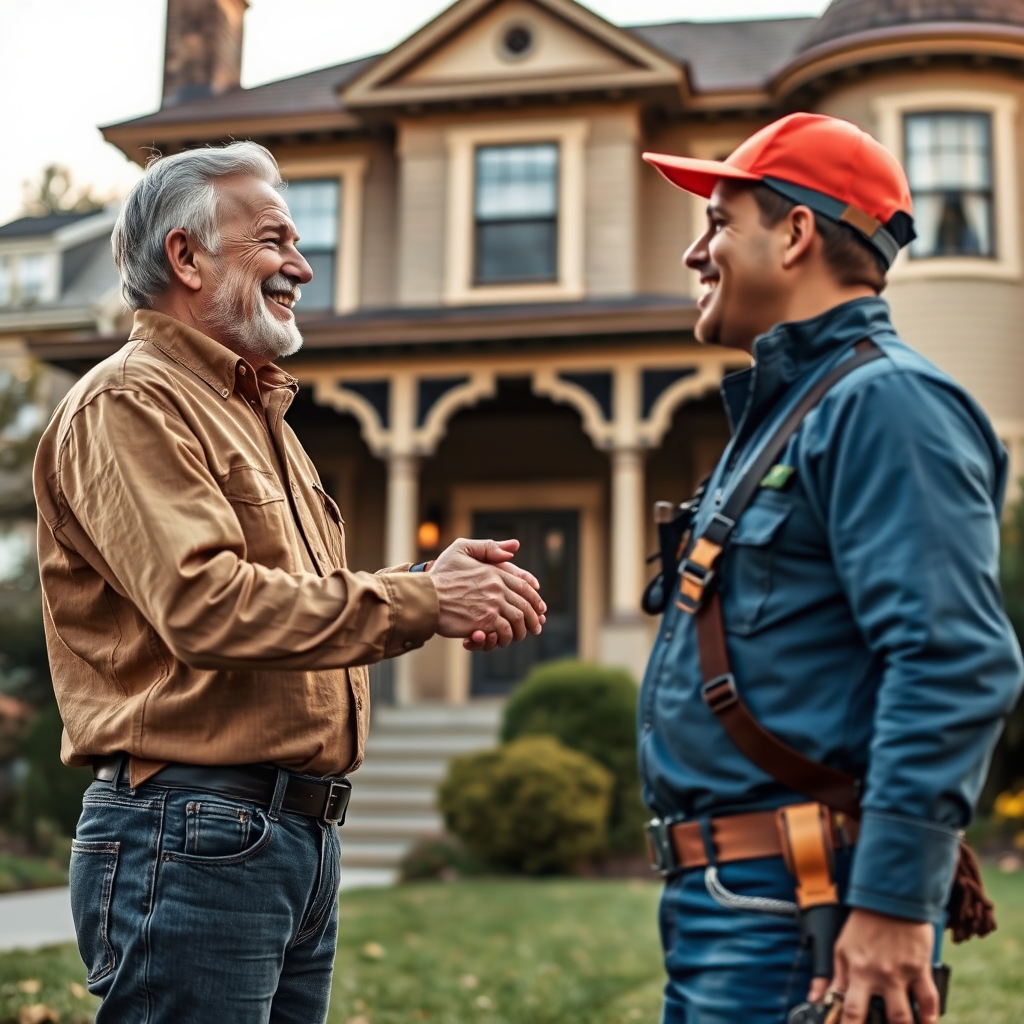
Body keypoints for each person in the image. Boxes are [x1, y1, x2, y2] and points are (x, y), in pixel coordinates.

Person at [33, 141, 546, 1024]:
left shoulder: (254, 412)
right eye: (272, 239)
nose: (302, 267)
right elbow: (206, 605)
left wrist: (427, 579)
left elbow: (290, 603)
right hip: (192, 833)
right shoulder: (131, 403)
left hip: (286, 838)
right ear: (184, 256)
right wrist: (422, 600)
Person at [639, 112, 1023, 1024]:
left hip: (801, 904)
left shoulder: (886, 404)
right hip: (744, 898)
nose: (697, 254)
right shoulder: (797, 411)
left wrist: (893, 900)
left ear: (797, 233)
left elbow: (950, 661)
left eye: (720, 224)